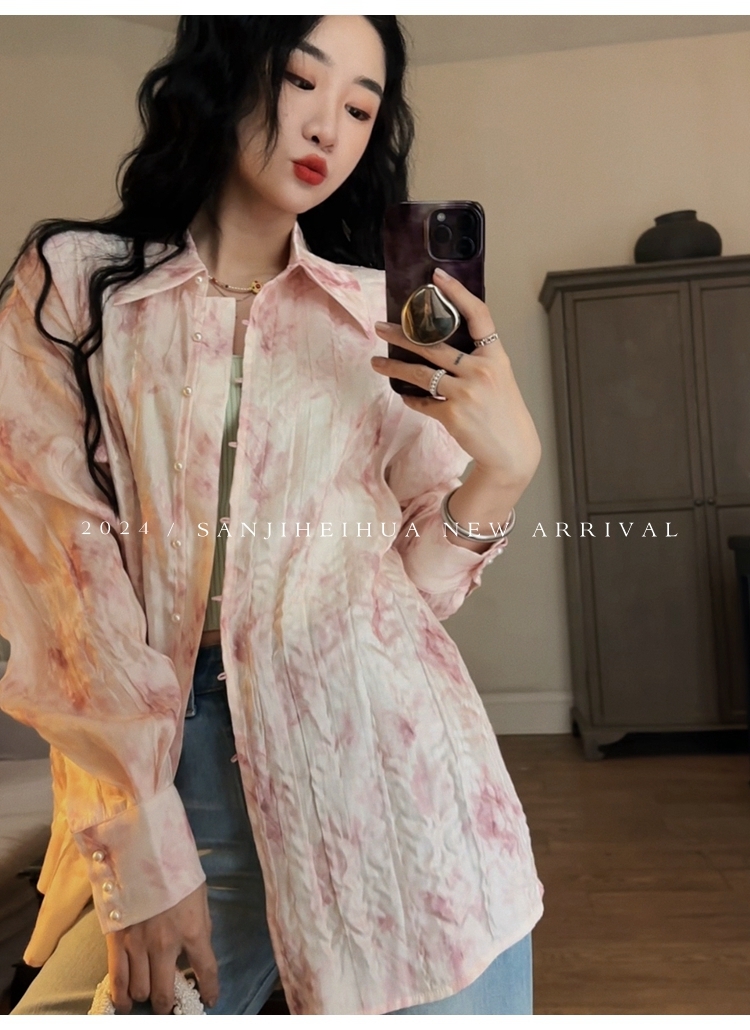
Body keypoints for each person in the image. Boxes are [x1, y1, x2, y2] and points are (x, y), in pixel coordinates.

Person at [0, 15, 544, 1016]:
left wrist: (505, 472)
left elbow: (412, 594)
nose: (329, 127)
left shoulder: (375, 315)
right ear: (227, 70)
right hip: (170, 770)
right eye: (303, 80)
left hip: (399, 781)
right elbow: (59, 572)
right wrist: (140, 836)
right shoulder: (77, 285)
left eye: (360, 109)